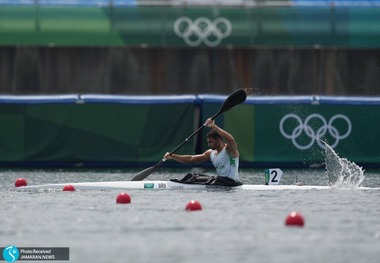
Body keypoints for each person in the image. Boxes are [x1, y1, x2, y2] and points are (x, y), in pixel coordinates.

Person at [164, 117, 242, 186]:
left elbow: (231, 140)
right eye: (208, 142)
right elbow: (191, 159)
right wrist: (172, 156)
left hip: (232, 182)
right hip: (220, 181)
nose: (209, 145)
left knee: (208, 179)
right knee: (192, 176)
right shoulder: (211, 153)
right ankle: (178, 184)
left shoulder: (230, 150)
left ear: (218, 140)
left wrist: (214, 126)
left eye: (210, 142)